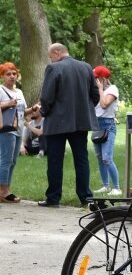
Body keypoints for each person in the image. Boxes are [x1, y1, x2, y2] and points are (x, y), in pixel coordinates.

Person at [38, 43, 100, 207]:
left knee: (55, 161)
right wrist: (85, 110)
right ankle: (85, 197)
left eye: (51, 56)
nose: (51, 59)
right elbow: (95, 94)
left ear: (57, 53)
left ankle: (53, 198)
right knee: (81, 160)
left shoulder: (54, 68)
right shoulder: (86, 67)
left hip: (57, 122)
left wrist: (44, 111)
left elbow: (46, 96)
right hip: (81, 122)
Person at [0, 62, 30, 203]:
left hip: (19, 129)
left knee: (13, 161)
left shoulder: (19, 92)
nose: (12, 76)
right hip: (6, 129)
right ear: (2, 77)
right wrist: (7, 104)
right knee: (6, 160)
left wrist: (33, 110)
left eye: (14, 74)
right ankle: (3, 191)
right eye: (8, 74)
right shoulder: (0, 90)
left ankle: (7, 189)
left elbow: (22, 111)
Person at [91, 65, 121, 196]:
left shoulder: (112, 90)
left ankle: (116, 188)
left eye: (96, 78)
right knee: (100, 158)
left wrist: (100, 88)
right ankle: (105, 185)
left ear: (102, 79)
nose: (94, 80)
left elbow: (104, 105)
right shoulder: (97, 90)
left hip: (108, 124)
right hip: (96, 125)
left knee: (107, 158)